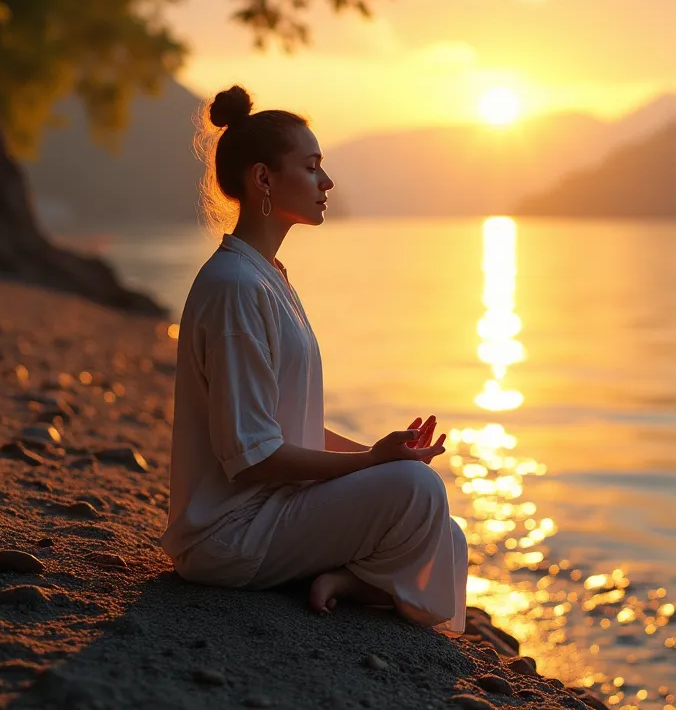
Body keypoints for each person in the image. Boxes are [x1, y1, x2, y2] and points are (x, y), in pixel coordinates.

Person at [160, 85, 467, 633]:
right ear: (264, 180)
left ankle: (352, 583)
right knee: (418, 494)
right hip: (230, 535)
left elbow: (279, 425)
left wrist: (383, 454)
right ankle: (358, 583)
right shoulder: (235, 287)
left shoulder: (266, 276)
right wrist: (372, 465)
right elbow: (253, 458)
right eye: (311, 167)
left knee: (447, 529)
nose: (326, 182)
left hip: (272, 511)